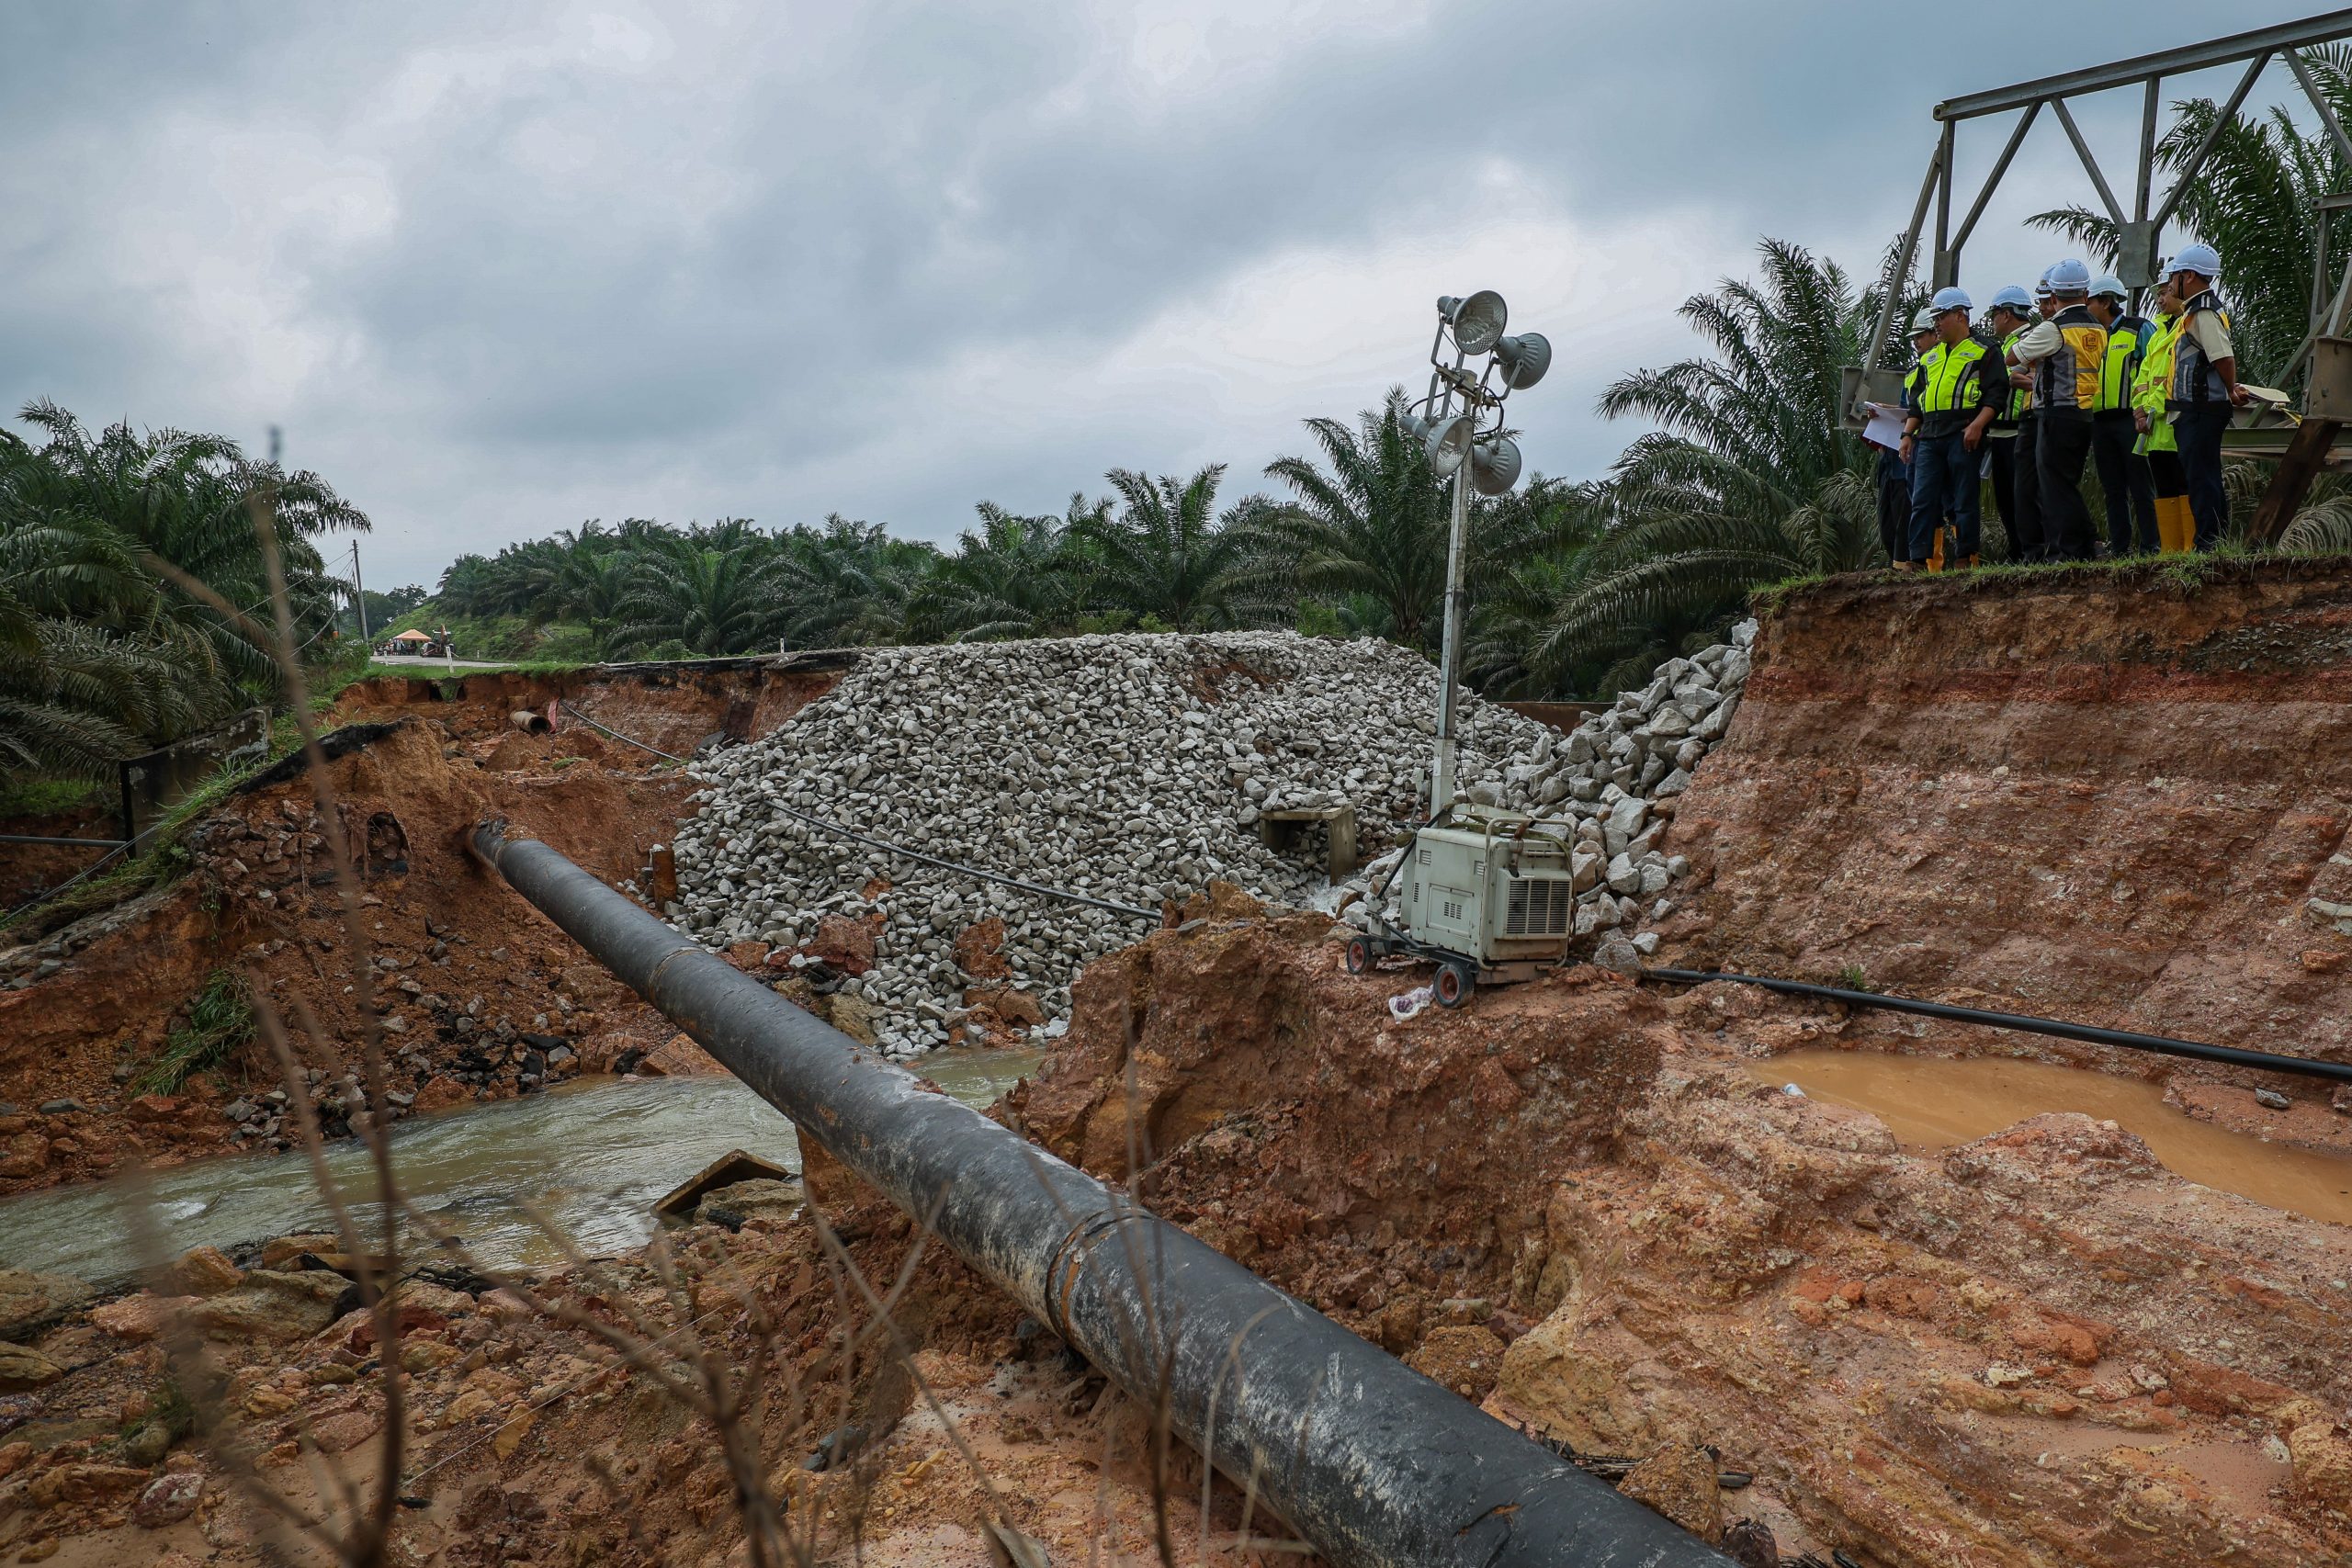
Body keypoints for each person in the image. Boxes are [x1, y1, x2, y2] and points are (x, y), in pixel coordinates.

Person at [2009, 258, 2107, 561]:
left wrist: (2036, 355)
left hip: (2056, 412)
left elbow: (2012, 357)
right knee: (2065, 482)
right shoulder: (2098, 327)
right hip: (2084, 412)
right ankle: (2086, 545)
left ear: (2053, 296)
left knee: (2055, 486)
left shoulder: (2054, 329)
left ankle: (2072, 549)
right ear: (2085, 293)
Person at [1897, 286, 1996, 571]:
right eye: (1935, 318)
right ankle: (1918, 560)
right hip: (1929, 435)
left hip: (1963, 431)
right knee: (1923, 498)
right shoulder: (1931, 358)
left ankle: (1966, 558)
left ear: (1960, 315)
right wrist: (1907, 434)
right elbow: (1918, 403)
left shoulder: (1984, 350)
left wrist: (1977, 425)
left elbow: (1996, 395)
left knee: (1964, 497)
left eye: (1941, 317)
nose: (1937, 324)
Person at [2165, 243, 2251, 550]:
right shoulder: (2195, 311)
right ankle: (2213, 541)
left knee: (2202, 477)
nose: (2170, 282)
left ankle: (2209, 543)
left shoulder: (2202, 312)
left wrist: (2230, 388)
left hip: (2201, 409)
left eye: (2174, 275)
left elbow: (2223, 357)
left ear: (2188, 276)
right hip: (2196, 408)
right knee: (2203, 475)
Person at [2086, 275, 2158, 554]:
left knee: (2141, 486)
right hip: (2100, 422)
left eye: (2090, 301)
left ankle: (2150, 546)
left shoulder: (2138, 329)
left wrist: (2145, 411)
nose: (2087, 306)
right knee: (2112, 488)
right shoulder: (2092, 336)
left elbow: (2154, 368)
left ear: (2105, 302)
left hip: (2130, 419)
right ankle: (2119, 548)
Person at [2132, 269, 2195, 553]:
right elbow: (2143, 376)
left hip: (2175, 421)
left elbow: (2174, 377)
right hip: (2155, 428)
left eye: (2166, 292)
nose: (2160, 299)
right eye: (2158, 294)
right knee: (2164, 487)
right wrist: (2139, 409)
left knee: (2184, 485)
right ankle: (2170, 550)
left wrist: (2149, 409)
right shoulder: (2158, 333)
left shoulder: (2187, 327)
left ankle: (2189, 549)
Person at [1876, 309, 1939, 563]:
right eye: (1914, 337)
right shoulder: (1915, 372)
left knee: (1915, 514)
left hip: (1920, 452)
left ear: (1935, 334)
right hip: (1896, 459)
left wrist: (1902, 420)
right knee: (1889, 525)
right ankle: (1901, 567)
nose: (1916, 342)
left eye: (1920, 336)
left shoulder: (1940, 367)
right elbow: (1911, 408)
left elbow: (1923, 410)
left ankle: (1922, 564)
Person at [1981, 285, 2036, 558]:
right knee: (2005, 497)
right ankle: (2018, 550)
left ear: (2006, 314)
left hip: (2020, 429)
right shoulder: (2005, 344)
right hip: (2001, 432)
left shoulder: (2029, 339)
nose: (1992, 321)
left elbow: (2024, 377)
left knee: (2022, 496)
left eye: (1994, 315)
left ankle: (2029, 550)